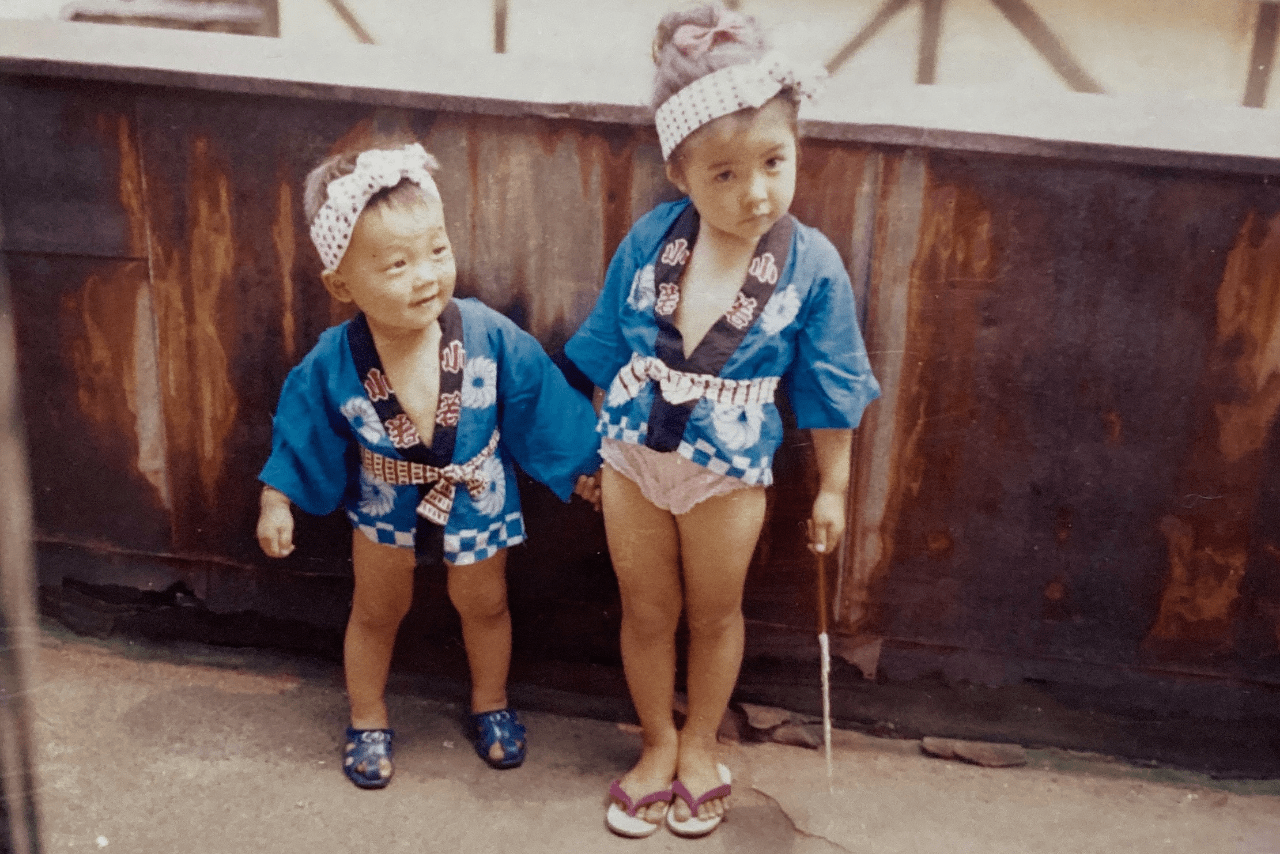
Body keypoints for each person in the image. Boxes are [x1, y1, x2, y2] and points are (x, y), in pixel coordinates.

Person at [563, 3, 881, 838]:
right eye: (725, 176)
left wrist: (835, 490)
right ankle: (658, 743)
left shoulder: (811, 264)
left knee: (714, 612)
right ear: (681, 174)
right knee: (645, 609)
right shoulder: (648, 240)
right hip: (633, 455)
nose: (756, 192)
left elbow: (834, 382)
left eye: (774, 162)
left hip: (729, 468)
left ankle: (702, 742)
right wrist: (596, 450)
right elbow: (603, 349)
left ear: (797, 149)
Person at [257, 139, 602, 789]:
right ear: (341, 283)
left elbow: (538, 400)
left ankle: (490, 703)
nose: (425, 275)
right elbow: (299, 425)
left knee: (486, 603)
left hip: (476, 489)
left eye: (436, 251)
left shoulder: (487, 334)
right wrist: (277, 500)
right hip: (385, 501)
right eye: (396, 264)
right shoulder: (336, 358)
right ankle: (367, 717)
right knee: (376, 608)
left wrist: (588, 467)